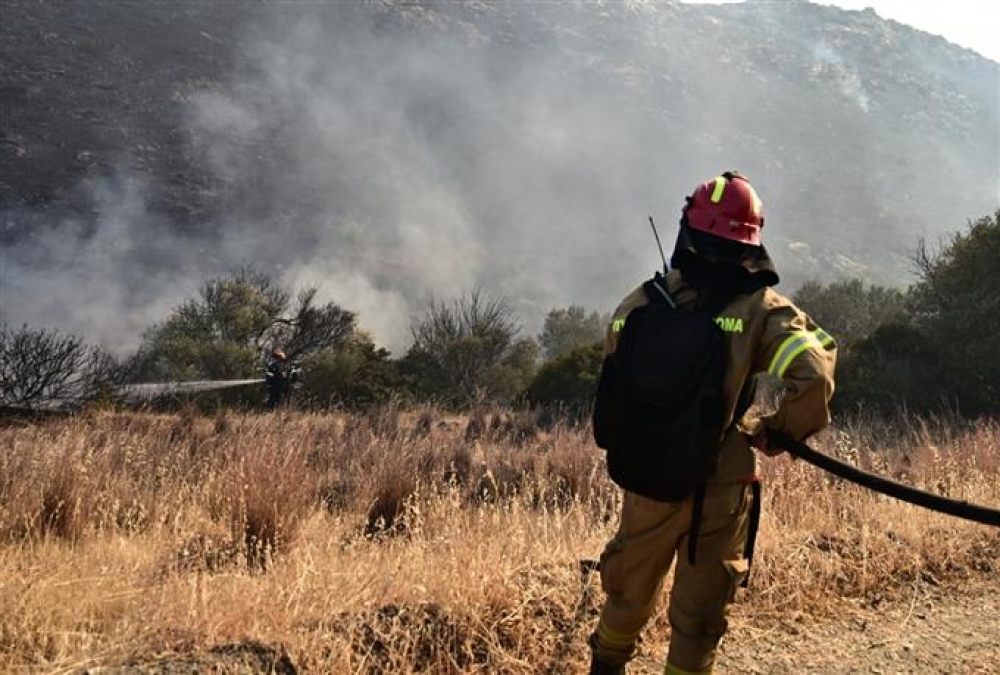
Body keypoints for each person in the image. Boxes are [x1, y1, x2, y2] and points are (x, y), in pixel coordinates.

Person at [589, 171, 837, 674]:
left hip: (648, 477)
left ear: (689, 229)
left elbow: (613, 364)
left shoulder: (641, 302)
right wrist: (777, 430)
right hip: (719, 487)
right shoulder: (762, 311)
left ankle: (607, 666)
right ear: (752, 239)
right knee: (698, 618)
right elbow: (813, 375)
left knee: (626, 597)